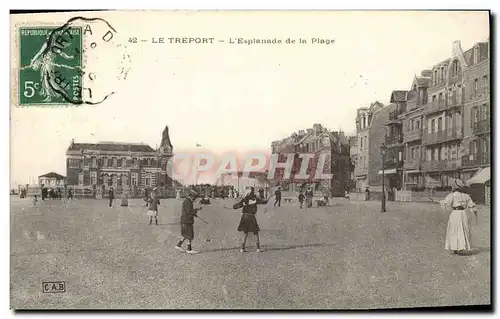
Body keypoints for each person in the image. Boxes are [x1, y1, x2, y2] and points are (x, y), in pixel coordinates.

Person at [440, 179, 477, 255]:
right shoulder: (466, 196)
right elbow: (472, 205)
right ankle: (460, 248)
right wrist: (474, 211)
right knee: (463, 229)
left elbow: (446, 203)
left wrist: (441, 202)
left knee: (455, 230)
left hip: (455, 214)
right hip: (463, 213)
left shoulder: (452, 195)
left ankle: (457, 247)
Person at [234, 186, 261, 253]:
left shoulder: (245, 199)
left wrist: (238, 205)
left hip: (245, 216)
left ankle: (242, 248)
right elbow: (264, 201)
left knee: (245, 233)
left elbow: (235, 206)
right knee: (255, 232)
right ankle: (258, 248)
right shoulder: (255, 198)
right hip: (252, 217)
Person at [175, 190, 203, 254]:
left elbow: (189, 211)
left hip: (184, 221)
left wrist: (196, 210)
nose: (195, 199)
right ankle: (189, 249)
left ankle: (178, 245)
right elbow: (189, 212)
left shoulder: (187, 201)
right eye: (194, 197)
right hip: (187, 221)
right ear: (192, 196)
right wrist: (195, 211)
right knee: (190, 235)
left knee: (185, 235)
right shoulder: (188, 202)